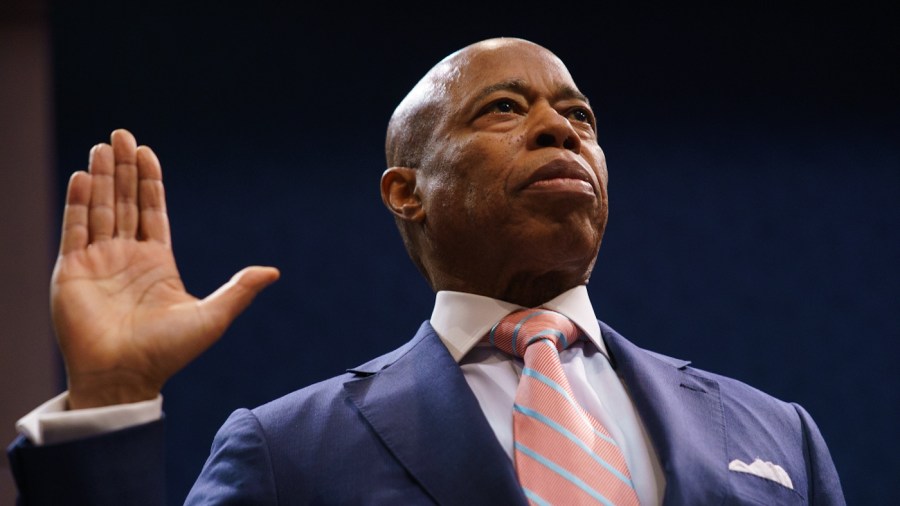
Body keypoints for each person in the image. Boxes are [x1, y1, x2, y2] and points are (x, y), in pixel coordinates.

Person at [7, 37, 844, 505]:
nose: (560, 129)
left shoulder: (777, 437)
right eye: (504, 108)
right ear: (406, 192)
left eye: (580, 116)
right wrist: (111, 398)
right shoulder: (289, 453)